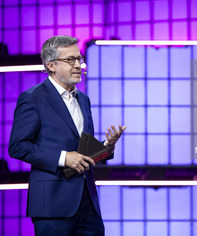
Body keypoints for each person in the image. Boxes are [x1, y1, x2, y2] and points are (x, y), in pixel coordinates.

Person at [9, 35, 126, 236]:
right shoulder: (32, 98)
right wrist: (64, 158)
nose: (78, 65)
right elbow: (18, 146)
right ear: (51, 65)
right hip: (53, 205)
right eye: (70, 59)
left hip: (88, 202)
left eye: (79, 59)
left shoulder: (83, 100)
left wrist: (106, 147)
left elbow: (82, 151)